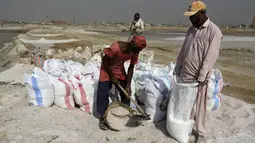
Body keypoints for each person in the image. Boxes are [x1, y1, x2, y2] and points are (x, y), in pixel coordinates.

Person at [174, 1, 223, 143]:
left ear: (201, 14)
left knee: (200, 106)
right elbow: (183, 51)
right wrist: (177, 68)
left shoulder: (214, 31)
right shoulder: (191, 30)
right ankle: (185, 128)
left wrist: (202, 76)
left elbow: (211, 56)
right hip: (185, 74)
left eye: (192, 16)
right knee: (185, 103)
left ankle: (201, 133)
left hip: (199, 78)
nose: (190, 19)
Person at [97, 35, 147, 130]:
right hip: (106, 70)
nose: (137, 52)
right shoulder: (116, 48)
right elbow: (104, 60)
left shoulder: (134, 52)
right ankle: (103, 118)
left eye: (139, 51)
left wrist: (128, 85)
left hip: (119, 70)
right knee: (103, 92)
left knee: (126, 93)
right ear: (131, 44)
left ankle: (125, 113)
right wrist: (112, 77)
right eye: (136, 49)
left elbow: (131, 68)